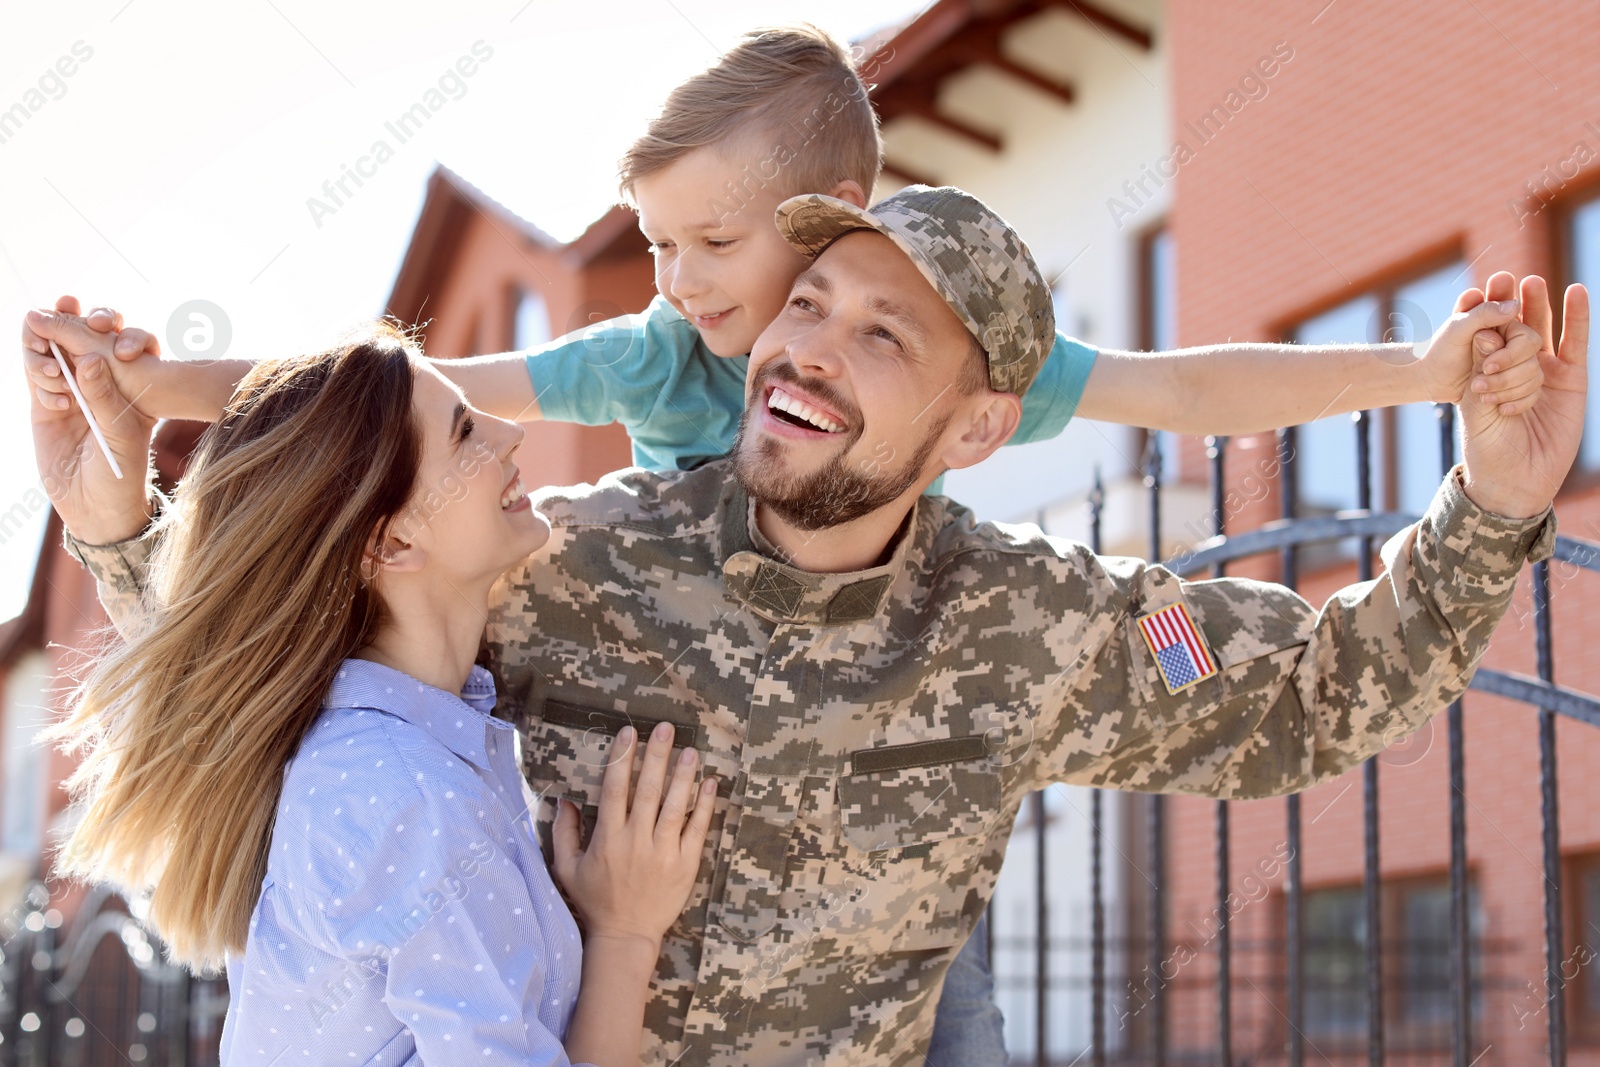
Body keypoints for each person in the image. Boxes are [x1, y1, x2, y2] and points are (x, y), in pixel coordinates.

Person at [25, 27, 1543, 1062]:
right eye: (807, 299)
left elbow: (1324, 683)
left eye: (883, 332)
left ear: (976, 426)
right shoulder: (571, 555)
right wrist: (112, 497)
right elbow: (296, 618)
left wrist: (1491, 499)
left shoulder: (1057, 626)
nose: (805, 346)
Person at [38, 324, 717, 1066]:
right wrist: (625, 933)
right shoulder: (407, 797)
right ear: (390, 544)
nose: (507, 434)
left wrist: (153, 391)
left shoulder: (368, 749)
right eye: (464, 433)